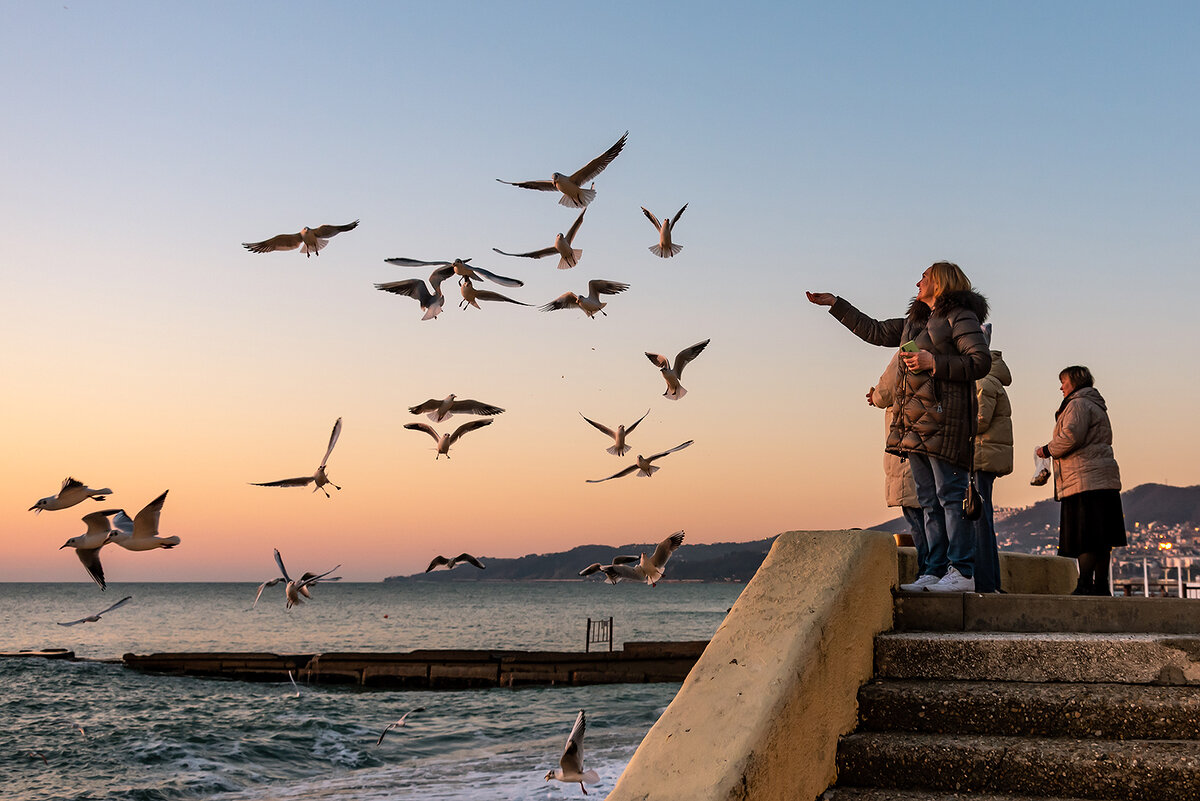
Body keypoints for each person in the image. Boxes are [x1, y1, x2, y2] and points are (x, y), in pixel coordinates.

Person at [807, 261, 991, 592]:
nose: (917, 281)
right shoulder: (916, 321)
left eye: (924, 277)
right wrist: (836, 304)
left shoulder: (961, 316)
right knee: (928, 501)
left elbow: (980, 362)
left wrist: (933, 362)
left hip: (945, 421)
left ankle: (961, 572)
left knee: (950, 497)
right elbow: (876, 331)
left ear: (940, 283)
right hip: (916, 426)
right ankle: (933, 571)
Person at [1034, 365, 1126, 595]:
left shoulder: (1077, 404)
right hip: (1104, 480)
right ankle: (1101, 586)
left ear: (1074, 382)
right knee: (1102, 538)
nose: (1061, 387)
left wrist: (1046, 450)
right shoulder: (1096, 405)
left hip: (1084, 480)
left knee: (1086, 537)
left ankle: (1084, 585)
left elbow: (1070, 437)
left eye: (1064, 382)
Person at [867, 352, 927, 576]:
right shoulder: (942, 350)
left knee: (916, 516)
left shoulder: (909, 350)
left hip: (907, 445)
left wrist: (875, 396)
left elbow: (884, 393)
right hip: (932, 446)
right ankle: (937, 569)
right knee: (932, 514)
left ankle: (928, 571)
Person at [972, 323, 1013, 593]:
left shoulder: (983, 381)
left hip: (979, 457)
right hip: (986, 457)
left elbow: (979, 421)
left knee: (978, 520)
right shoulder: (990, 379)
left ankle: (985, 582)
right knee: (983, 519)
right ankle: (991, 582)